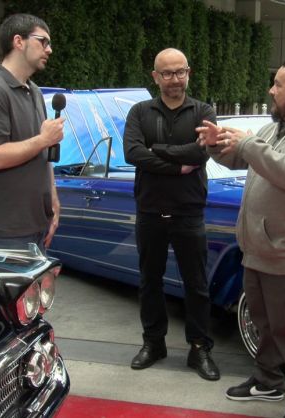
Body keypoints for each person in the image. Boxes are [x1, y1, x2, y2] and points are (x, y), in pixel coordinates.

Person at [197, 57, 285, 418]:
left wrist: (249, 145)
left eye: (278, 84)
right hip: (260, 247)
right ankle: (267, 380)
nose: (271, 90)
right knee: (264, 321)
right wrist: (216, 145)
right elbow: (240, 158)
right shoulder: (277, 128)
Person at [123, 48, 220, 381]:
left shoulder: (203, 111)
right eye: (167, 73)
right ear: (155, 77)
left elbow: (201, 153)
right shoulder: (139, 112)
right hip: (150, 211)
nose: (174, 79)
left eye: (180, 72)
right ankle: (154, 343)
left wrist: (159, 151)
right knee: (149, 281)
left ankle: (200, 348)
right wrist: (178, 166)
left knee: (197, 285)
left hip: (189, 212)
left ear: (188, 73)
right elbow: (133, 153)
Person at [0, 13, 64, 253]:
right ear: (18, 41)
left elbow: (43, 154)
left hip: (35, 224)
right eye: (43, 41)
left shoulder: (35, 92)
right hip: (2, 232)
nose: (49, 49)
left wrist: (52, 199)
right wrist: (43, 139)